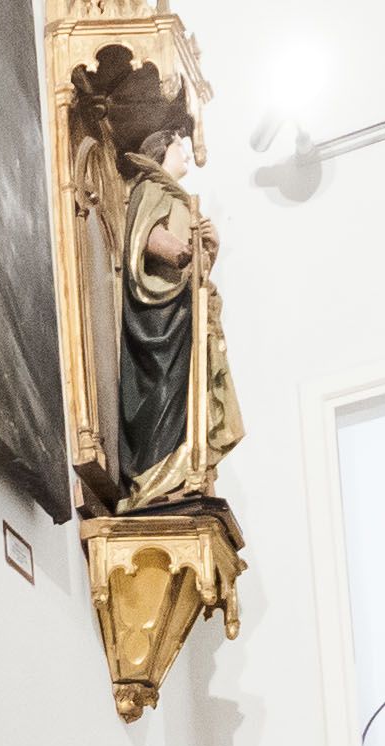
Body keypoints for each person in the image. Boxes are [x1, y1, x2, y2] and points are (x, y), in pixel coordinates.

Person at [116, 124, 242, 511]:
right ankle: (156, 478)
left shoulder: (177, 197)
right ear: (162, 150)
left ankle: (186, 469)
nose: (187, 152)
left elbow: (198, 271)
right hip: (160, 315)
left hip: (183, 310)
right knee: (164, 391)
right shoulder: (150, 189)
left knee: (189, 393)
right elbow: (144, 238)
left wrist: (210, 245)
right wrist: (182, 252)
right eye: (179, 145)